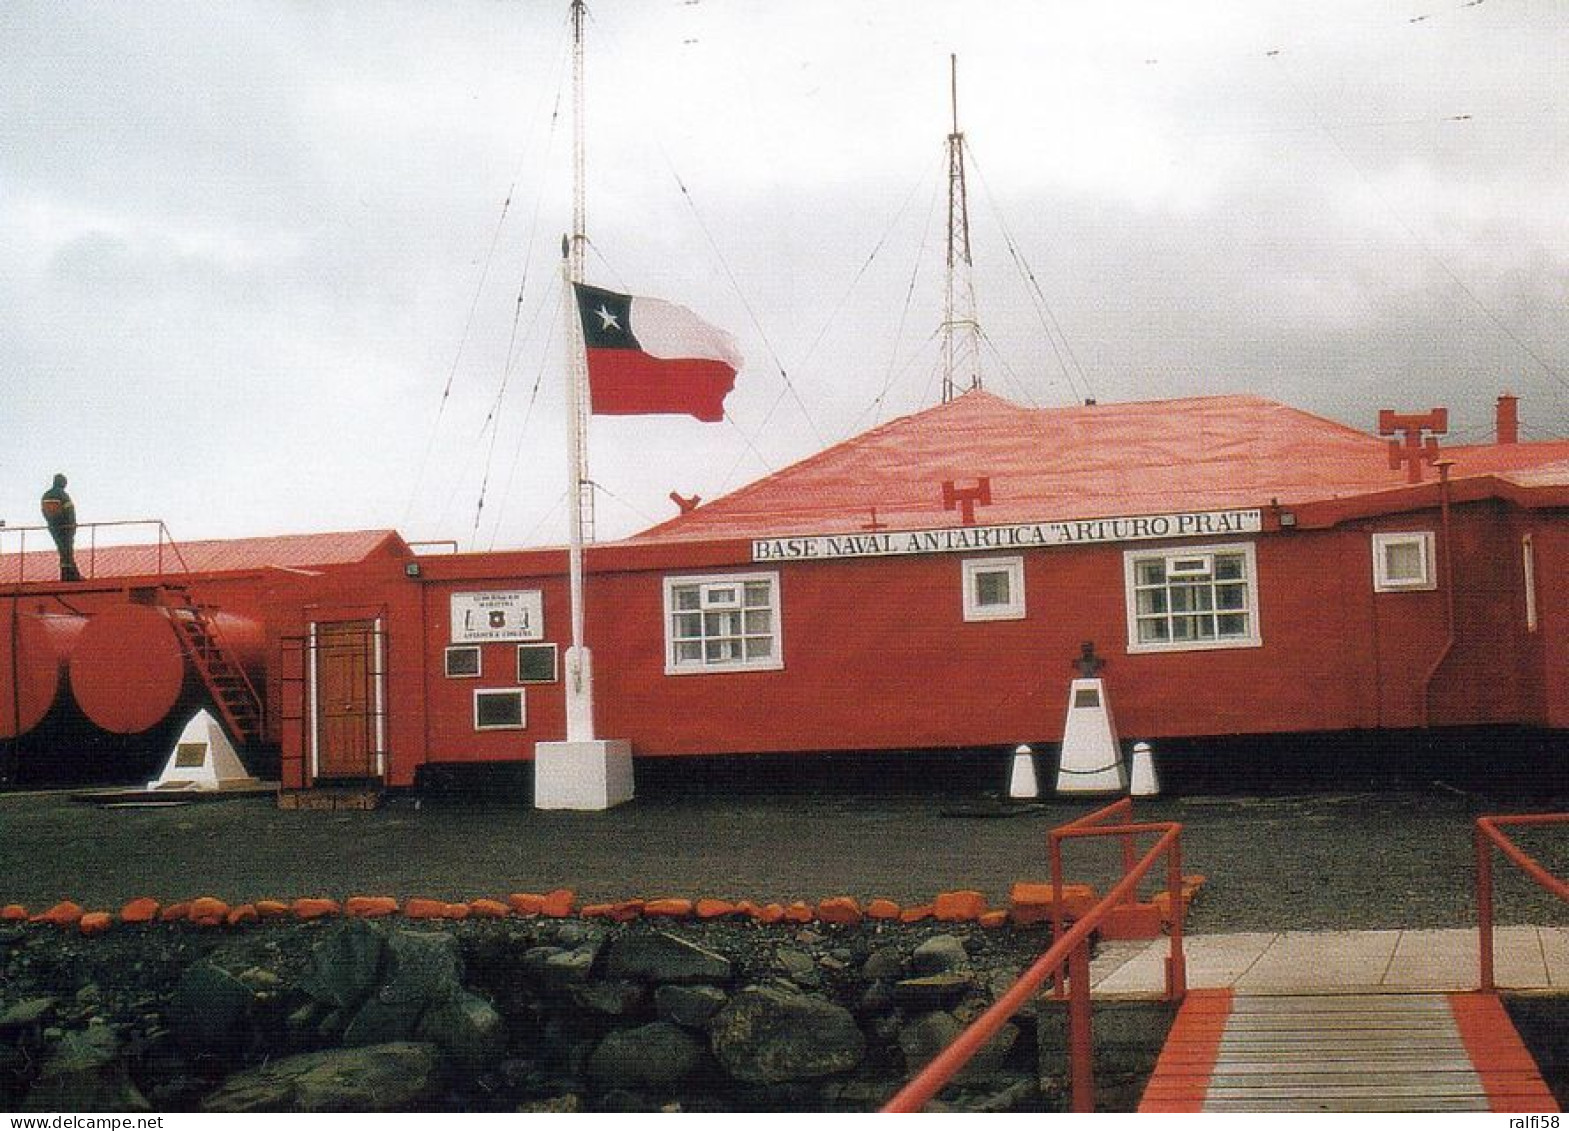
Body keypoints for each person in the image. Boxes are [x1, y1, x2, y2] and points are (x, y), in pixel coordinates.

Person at [40, 473, 80, 582]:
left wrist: (51, 524)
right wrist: (72, 525)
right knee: (67, 549)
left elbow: (44, 512)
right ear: (62, 483)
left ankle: (66, 574)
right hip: (65, 527)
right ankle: (70, 575)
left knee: (62, 549)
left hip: (53, 528)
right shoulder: (63, 495)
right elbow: (70, 512)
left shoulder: (46, 495)